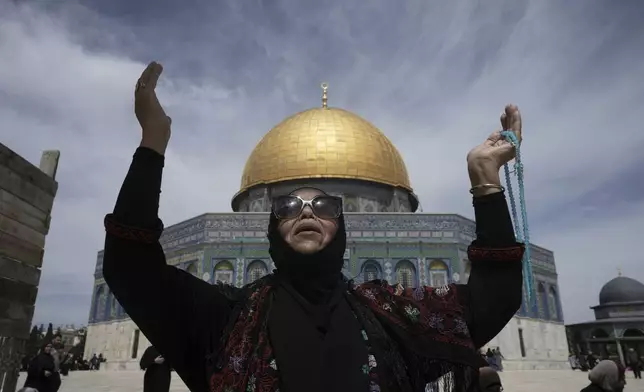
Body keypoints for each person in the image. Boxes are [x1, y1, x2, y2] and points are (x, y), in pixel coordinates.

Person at [103, 61, 526, 392]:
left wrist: (486, 181)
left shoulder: (394, 317)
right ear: (271, 224)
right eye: (288, 204)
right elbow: (130, 268)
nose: (307, 212)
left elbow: (496, 297)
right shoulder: (225, 321)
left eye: (323, 204)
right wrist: (152, 143)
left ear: (342, 224)